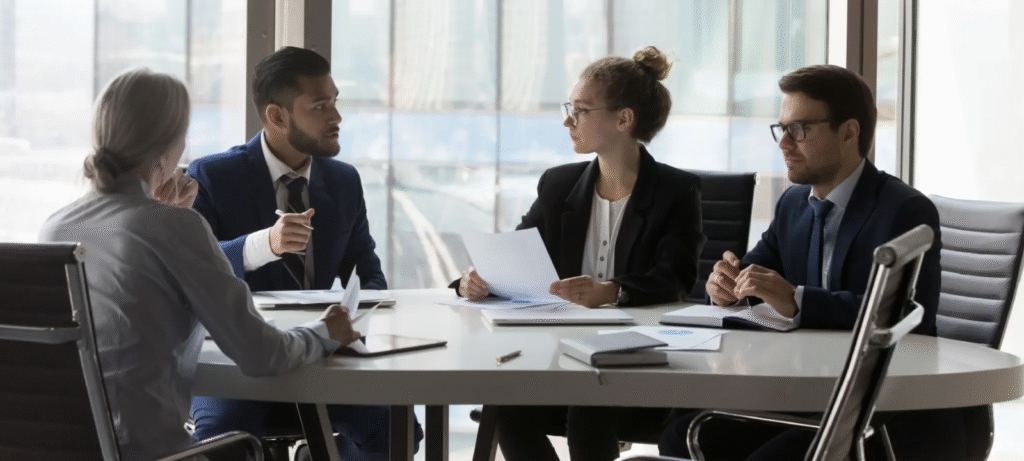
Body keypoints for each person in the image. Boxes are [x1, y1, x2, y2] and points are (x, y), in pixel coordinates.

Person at [38, 69, 359, 461]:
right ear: (168, 144)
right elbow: (260, 355)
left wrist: (166, 216)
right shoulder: (174, 228)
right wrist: (326, 330)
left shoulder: (56, 227)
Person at [658, 64, 967, 460]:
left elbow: (904, 314)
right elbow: (752, 276)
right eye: (781, 129)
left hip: (887, 413)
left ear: (849, 132)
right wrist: (727, 287)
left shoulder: (904, 210)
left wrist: (798, 300)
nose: (784, 143)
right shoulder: (793, 204)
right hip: (806, 396)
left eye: (799, 129)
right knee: (680, 438)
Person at [455, 46, 705, 461]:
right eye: (569, 108)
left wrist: (609, 291)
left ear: (624, 120)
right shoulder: (558, 186)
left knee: (590, 408)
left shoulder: (677, 192)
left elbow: (675, 278)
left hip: (637, 358)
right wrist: (474, 280)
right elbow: (517, 257)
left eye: (581, 110)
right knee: (504, 407)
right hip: (559, 351)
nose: (568, 120)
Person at [187, 46, 420, 460]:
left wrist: (357, 322)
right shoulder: (212, 176)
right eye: (320, 106)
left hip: (323, 354)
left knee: (399, 432)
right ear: (276, 116)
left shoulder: (343, 181)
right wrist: (264, 245)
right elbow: (191, 271)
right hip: (239, 359)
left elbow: (368, 275)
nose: (336, 118)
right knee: (220, 442)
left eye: (334, 102)